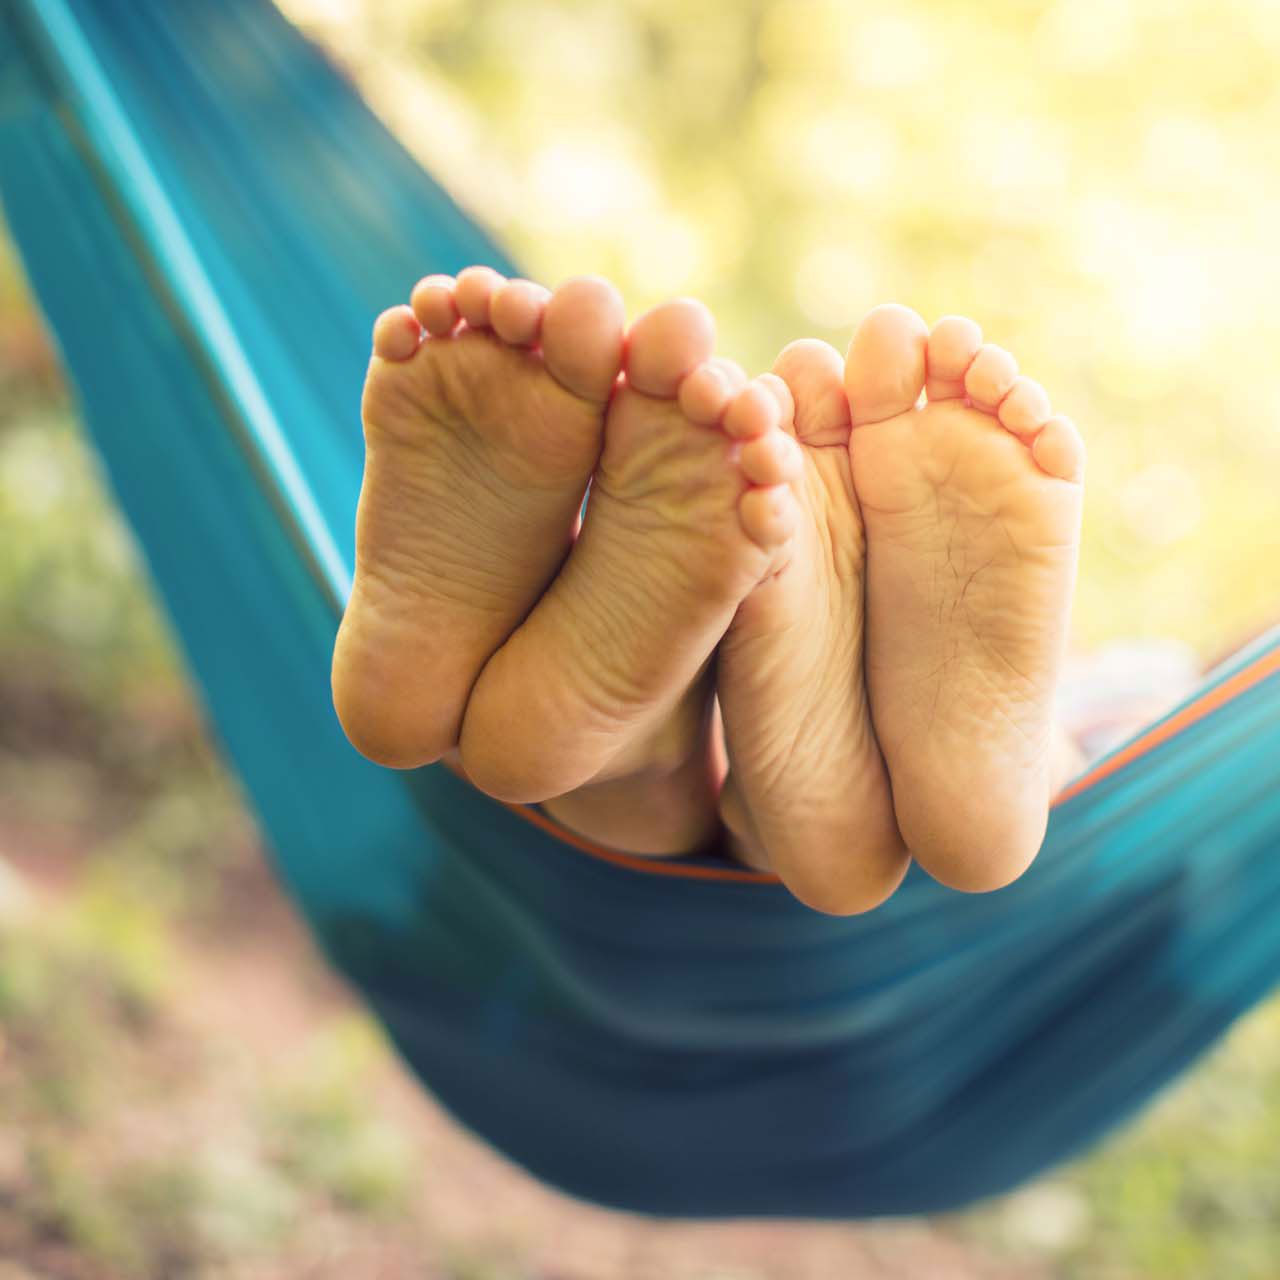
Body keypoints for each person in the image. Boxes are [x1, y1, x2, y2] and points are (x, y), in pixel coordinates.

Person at [330, 266, 1086, 915]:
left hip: (546, 892)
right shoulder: (1170, 708)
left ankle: (646, 748)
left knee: (611, 778)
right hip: (927, 921)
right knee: (1062, 759)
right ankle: (706, 755)